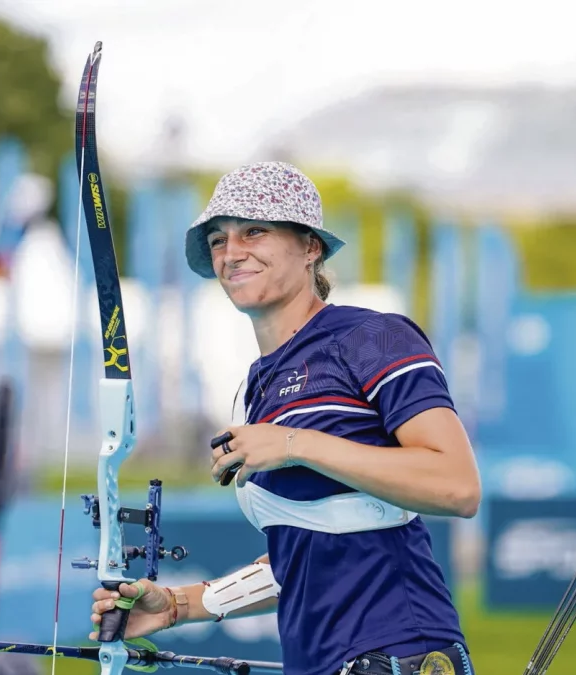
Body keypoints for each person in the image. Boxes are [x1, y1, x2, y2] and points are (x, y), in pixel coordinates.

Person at [88, 161, 481, 675]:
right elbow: (306, 551)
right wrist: (178, 606)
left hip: (397, 649)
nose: (233, 252)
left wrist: (294, 444)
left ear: (310, 246)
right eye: (218, 240)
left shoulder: (374, 337)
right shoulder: (260, 385)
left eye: (255, 231)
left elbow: (457, 485)